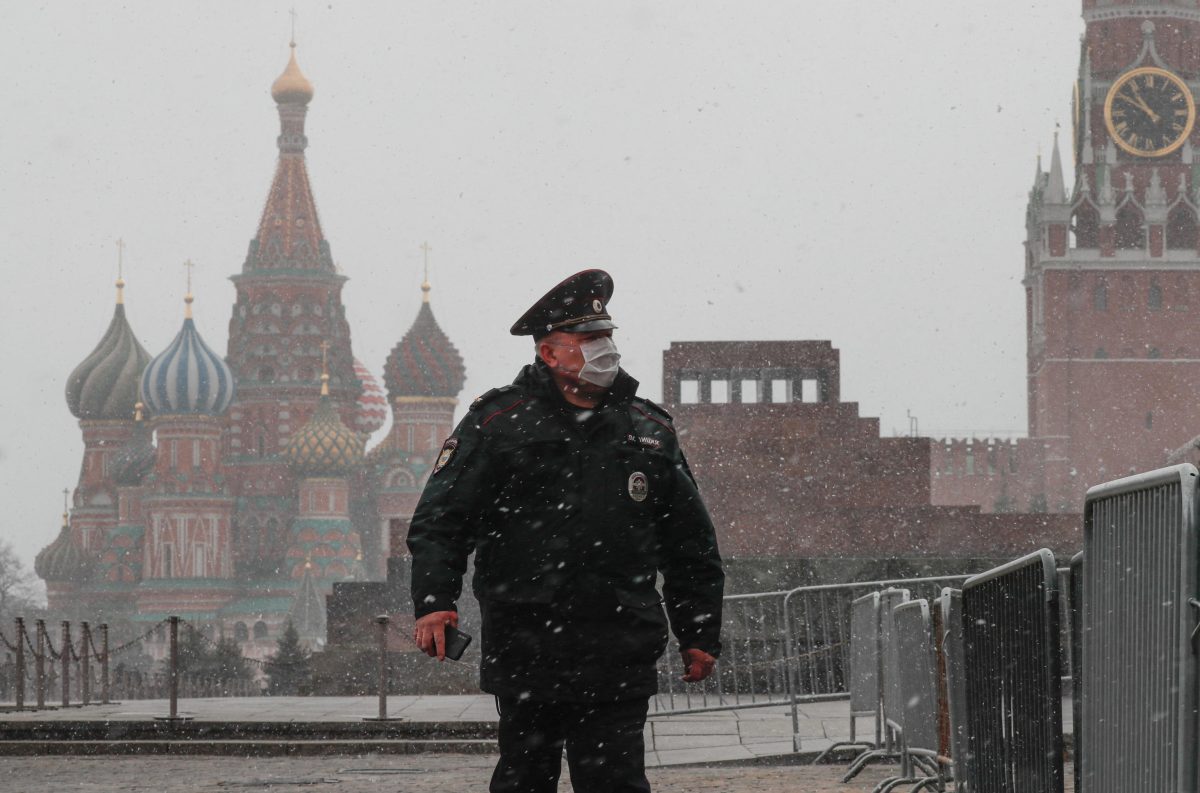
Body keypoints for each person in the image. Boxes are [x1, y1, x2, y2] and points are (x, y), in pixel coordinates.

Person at [407, 269, 725, 793]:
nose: (606, 351)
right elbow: (442, 519)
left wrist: (699, 633)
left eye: (607, 338)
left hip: (619, 641)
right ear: (549, 354)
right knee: (525, 777)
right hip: (526, 640)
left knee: (616, 780)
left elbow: (689, 544)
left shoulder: (648, 430)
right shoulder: (499, 423)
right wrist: (434, 600)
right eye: (589, 340)